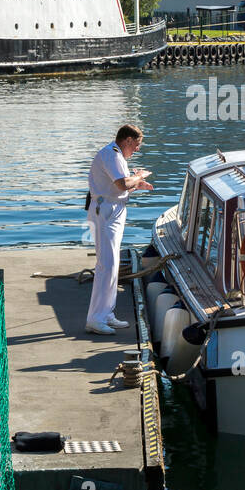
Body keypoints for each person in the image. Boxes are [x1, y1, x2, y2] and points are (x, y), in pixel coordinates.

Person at [84, 125, 153, 335]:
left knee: (112, 265)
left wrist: (136, 185)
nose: (137, 150)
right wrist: (139, 176)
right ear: (128, 140)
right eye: (137, 145)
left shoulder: (116, 156)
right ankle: (95, 318)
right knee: (107, 264)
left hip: (112, 209)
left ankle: (106, 313)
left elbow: (118, 186)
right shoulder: (111, 154)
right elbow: (122, 184)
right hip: (105, 211)